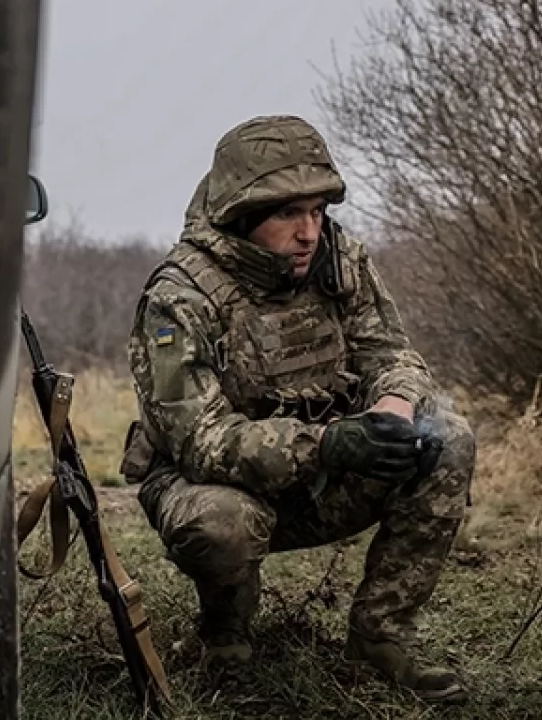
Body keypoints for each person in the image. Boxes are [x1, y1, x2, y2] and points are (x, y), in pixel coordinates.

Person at [120, 115, 476, 704]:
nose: (309, 231)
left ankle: (379, 641)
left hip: (322, 477)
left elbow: (394, 355)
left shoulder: (342, 261)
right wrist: (328, 444)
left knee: (449, 438)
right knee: (223, 522)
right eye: (288, 214)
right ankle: (225, 643)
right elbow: (203, 442)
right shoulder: (179, 298)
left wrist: (392, 406)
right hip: (212, 488)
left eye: (317, 211)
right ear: (241, 216)